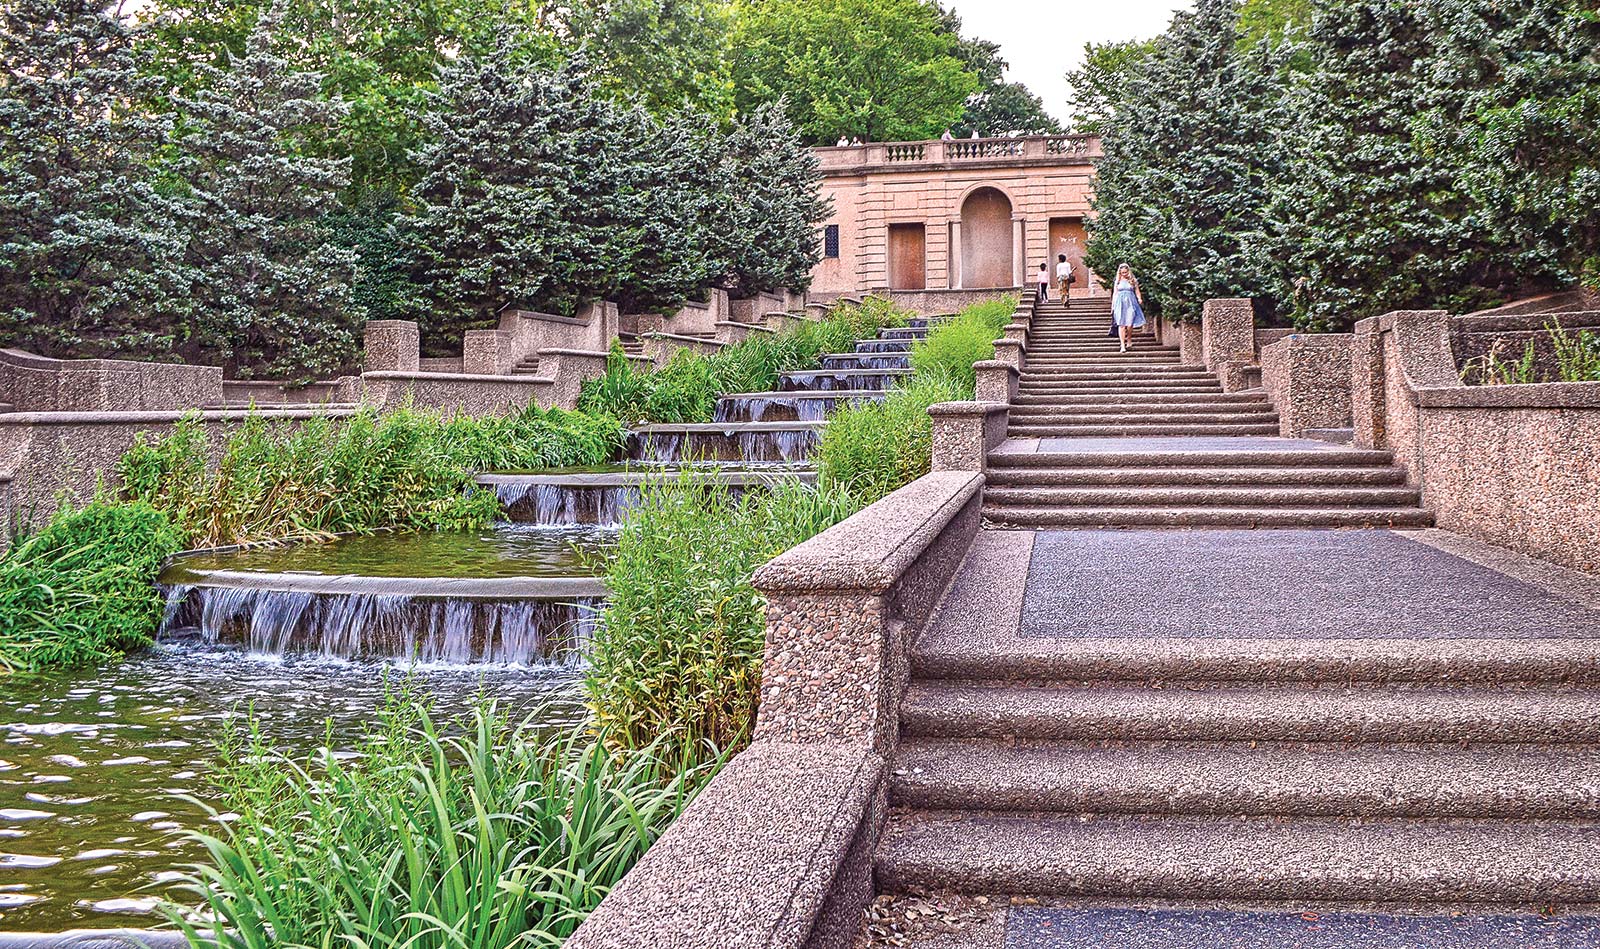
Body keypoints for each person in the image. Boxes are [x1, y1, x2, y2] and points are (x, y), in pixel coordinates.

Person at [1112, 262, 1146, 353]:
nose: (1124, 274)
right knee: (1121, 324)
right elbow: (1115, 293)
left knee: (1129, 323)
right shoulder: (1117, 281)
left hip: (1131, 302)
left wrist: (1139, 298)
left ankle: (1129, 338)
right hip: (1120, 302)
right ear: (1120, 272)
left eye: (1125, 272)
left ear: (1128, 271)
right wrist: (1113, 306)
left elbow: (1137, 291)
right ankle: (1122, 345)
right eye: (1122, 272)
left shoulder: (1133, 280)